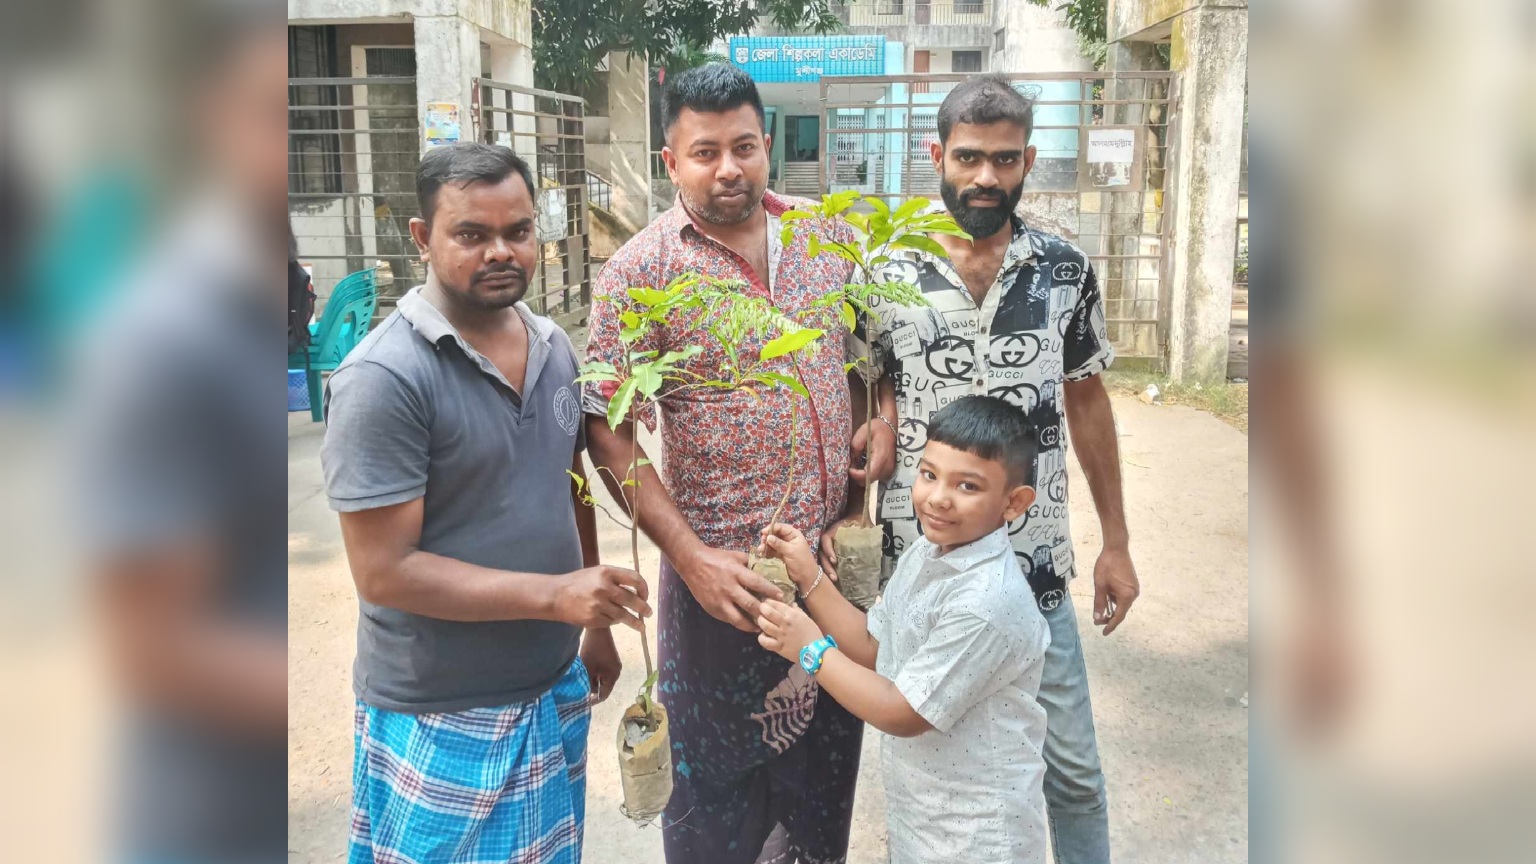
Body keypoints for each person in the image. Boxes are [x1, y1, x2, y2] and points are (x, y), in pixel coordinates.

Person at [582, 63, 893, 864]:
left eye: (745, 147)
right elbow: (608, 432)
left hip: (824, 575)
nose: (730, 168)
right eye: (705, 151)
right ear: (670, 160)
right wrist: (689, 559)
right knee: (717, 815)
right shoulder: (639, 273)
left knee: (821, 804)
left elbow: (867, 358)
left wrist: (880, 418)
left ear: (767, 146)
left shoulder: (831, 242)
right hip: (721, 586)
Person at [835, 74, 1142, 864]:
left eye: (1005, 160)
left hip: (1030, 566)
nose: (985, 178)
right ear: (935, 154)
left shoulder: (1064, 271)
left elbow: (1088, 404)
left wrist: (1116, 540)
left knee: (1071, 771)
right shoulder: (882, 268)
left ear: (1029, 160)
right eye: (968, 157)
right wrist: (861, 471)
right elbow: (865, 386)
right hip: (919, 566)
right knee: (929, 753)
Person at [322, 143, 649, 864]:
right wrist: (556, 596)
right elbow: (384, 572)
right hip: (442, 708)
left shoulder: (554, 347)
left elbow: (570, 485)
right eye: (472, 234)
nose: (501, 252)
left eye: (519, 231)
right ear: (422, 238)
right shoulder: (385, 378)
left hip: (549, 687)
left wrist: (590, 624)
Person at [756, 395, 1051, 864]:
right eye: (929, 474)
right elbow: (876, 647)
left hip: (980, 838)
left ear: (1014, 503)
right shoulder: (929, 552)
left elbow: (902, 712)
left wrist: (811, 650)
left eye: (967, 486)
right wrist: (807, 576)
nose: (937, 498)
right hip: (924, 820)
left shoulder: (985, 604)